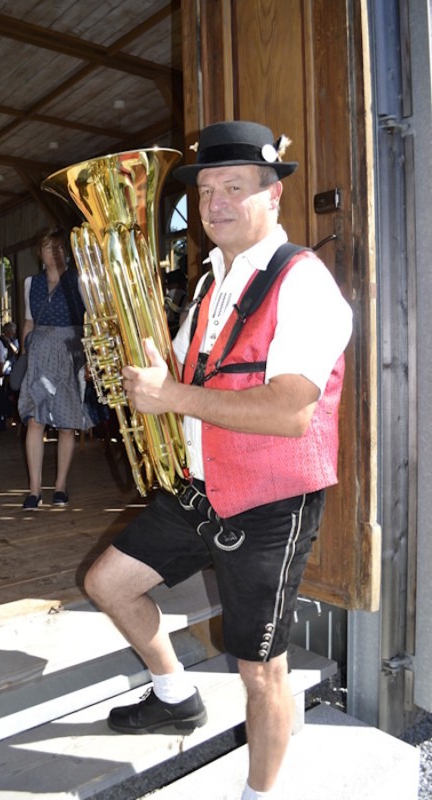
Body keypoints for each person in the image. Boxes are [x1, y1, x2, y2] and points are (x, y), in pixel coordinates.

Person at [84, 120, 353, 800]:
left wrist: (171, 394)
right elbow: (181, 373)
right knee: (108, 584)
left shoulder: (303, 282)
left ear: (273, 195)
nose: (215, 203)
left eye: (234, 187)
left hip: (270, 501)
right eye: (205, 191)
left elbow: (290, 411)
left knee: (260, 670)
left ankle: (259, 794)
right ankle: (174, 696)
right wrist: (127, 359)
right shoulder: (211, 283)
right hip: (200, 486)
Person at [18, 225, 92, 510]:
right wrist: (25, 354)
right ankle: (34, 490)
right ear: (40, 252)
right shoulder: (31, 283)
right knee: (35, 421)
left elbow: (90, 321)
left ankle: (60, 486)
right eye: (49, 247)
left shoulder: (80, 281)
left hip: (70, 353)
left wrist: (89, 359)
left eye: (60, 247)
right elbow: (28, 322)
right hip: (39, 354)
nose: (55, 253)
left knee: (67, 423)